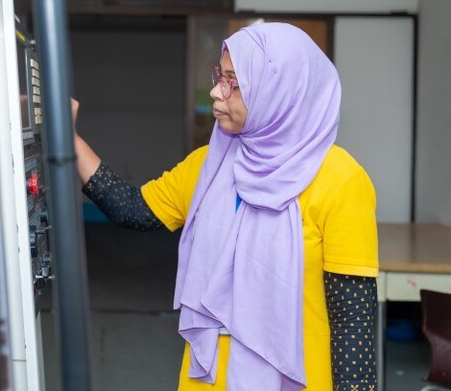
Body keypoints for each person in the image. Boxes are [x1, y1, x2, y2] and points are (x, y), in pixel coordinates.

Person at [73, 23, 379, 390]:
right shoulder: (211, 163)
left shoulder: (341, 180)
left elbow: (353, 322)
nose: (217, 91)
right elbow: (135, 209)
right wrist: (68, 138)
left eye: (234, 81)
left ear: (279, 90)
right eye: (220, 75)